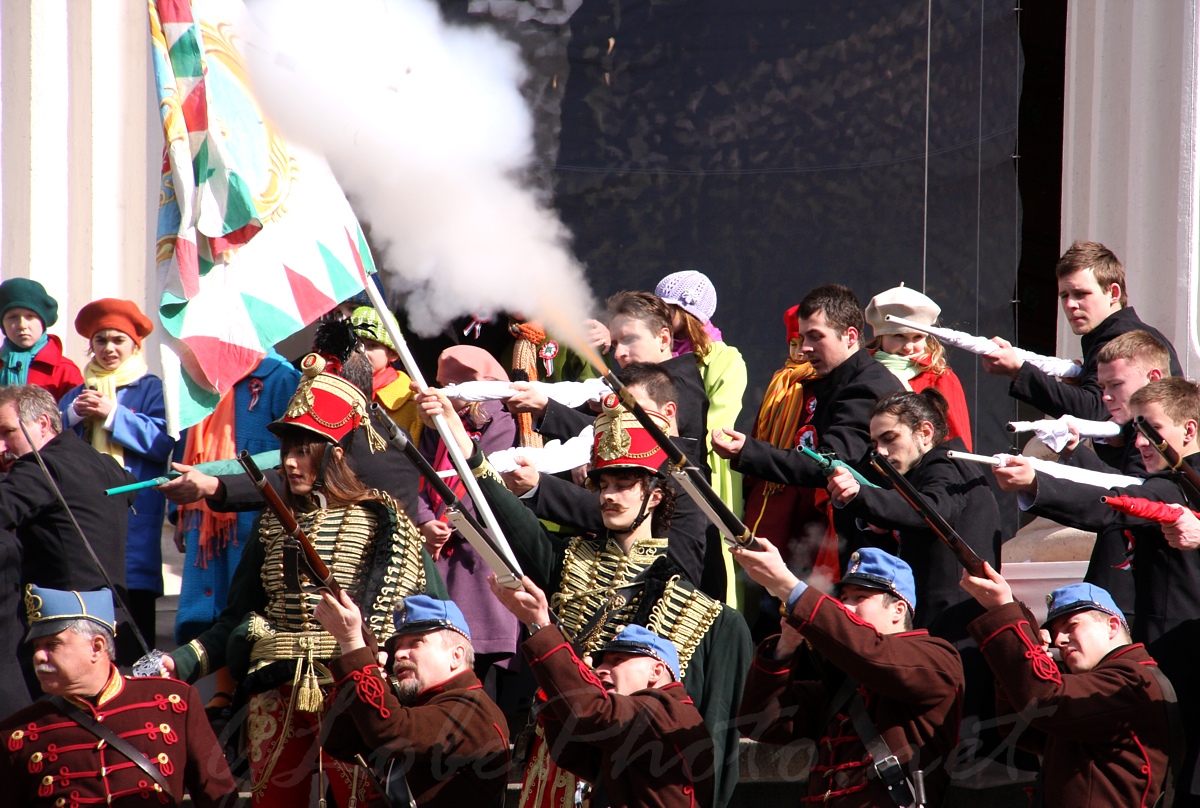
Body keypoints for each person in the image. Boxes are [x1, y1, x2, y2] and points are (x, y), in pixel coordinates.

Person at [415, 386, 752, 808]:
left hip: (636, 767)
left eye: (624, 484)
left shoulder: (703, 612)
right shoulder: (568, 559)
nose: (609, 495)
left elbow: (711, 741)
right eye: (603, 484)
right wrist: (467, 449)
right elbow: (513, 521)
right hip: (562, 754)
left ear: (657, 494)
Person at [158, 353, 447, 807]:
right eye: (287, 451)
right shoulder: (274, 522)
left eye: (301, 452)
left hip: (353, 682)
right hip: (274, 683)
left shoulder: (382, 517)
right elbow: (238, 614)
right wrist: (180, 664)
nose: (290, 463)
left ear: (332, 455)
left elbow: (426, 613)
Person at [993, 376, 1200, 801]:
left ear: (1189, 430)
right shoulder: (1167, 483)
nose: (1141, 443)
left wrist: (1038, 484)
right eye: (1137, 433)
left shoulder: (1175, 486)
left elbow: (1114, 503)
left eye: (1153, 432)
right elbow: (1118, 491)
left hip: (1183, 661)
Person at [735, 545, 964, 807]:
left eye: (860, 597)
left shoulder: (938, 658)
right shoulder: (844, 682)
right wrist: (786, 644)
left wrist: (790, 588)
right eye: (843, 598)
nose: (846, 606)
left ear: (898, 609)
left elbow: (874, 656)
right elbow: (761, 722)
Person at [713, 284, 903, 573]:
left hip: (872, 542)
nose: (805, 349)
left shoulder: (867, 387)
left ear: (851, 336)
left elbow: (827, 462)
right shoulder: (836, 381)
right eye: (802, 338)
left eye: (816, 337)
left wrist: (748, 450)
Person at [0, 585, 238, 806]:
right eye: (36, 647)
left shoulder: (174, 701)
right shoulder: (16, 732)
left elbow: (218, 796)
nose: (39, 657)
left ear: (97, 647)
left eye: (52, 645)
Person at [492, 576, 715, 808]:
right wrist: (561, 685)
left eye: (617, 660)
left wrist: (540, 625)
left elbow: (591, 711)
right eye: (601, 664)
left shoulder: (666, 710)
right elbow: (571, 752)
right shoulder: (637, 726)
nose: (602, 671)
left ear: (656, 671)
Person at [960, 573, 1173, 807]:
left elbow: (1046, 699)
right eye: (1055, 633)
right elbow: (1021, 729)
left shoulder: (1133, 680)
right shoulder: (1117, 678)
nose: (1059, 640)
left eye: (1072, 626)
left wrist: (1003, 610)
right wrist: (1030, 662)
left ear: (1112, 626)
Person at [502, 362, 711, 592]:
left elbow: (622, 508)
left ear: (668, 412)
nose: (620, 421)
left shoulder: (682, 473)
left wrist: (539, 487)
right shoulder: (639, 451)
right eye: (603, 485)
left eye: (632, 410)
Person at [172, 348, 299, 717]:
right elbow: (186, 447)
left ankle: (232, 690)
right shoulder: (199, 375)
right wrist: (179, 512)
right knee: (202, 612)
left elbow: (288, 455)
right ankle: (202, 689)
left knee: (243, 604)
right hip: (202, 520)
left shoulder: (280, 377)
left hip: (248, 517)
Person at [827, 389, 1000, 631]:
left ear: (925, 433)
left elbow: (934, 511)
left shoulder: (944, 464)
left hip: (954, 626)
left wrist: (861, 494)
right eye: (876, 443)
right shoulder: (927, 470)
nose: (882, 452)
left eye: (890, 438)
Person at [317, 593, 510, 808]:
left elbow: (391, 731)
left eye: (416, 642)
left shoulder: (473, 709)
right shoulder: (422, 705)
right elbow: (339, 742)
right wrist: (371, 681)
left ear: (456, 655)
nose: (399, 654)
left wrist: (352, 644)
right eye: (398, 646)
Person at [60, 298, 173, 659]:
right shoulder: (76, 395)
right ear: (90, 346)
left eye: (118, 340)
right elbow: (50, 449)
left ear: (135, 346)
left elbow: (161, 443)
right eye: (100, 340)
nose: (109, 348)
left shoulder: (152, 387)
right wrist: (71, 418)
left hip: (136, 515)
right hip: (87, 516)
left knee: (133, 614)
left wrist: (113, 415)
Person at [982, 241, 1181, 420]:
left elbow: (1094, 410)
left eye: (1081, 294)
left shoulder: (1121, 338)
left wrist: (1018, 370)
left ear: (1113, 293)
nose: (1070, 304)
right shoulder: (1140, 333)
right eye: (1064, 296)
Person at [417, 345, 521, 682]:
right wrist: (424, 520)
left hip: (477, 552)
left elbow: (489, 484)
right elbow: (417, 475)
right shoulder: (433, 425)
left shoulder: (498, 422)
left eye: (450, 386)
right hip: (436, 549)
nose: (440, 392)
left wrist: (450, 522)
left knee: (477, 659)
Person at [656, 270, 748, 605]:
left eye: (665, 307)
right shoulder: (659, 355)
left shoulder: (725, 358)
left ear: (688, 312)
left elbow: (718, 422)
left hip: (706, 467)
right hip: (665, 467)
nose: (658, 315)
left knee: (715, 552)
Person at [0, 384, 134, 612]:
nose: (1, 447)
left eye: (8, 432)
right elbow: (130, 486)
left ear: (42, 423)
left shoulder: (40, 466)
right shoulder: (104, 464)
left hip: (66, 625)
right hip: (113, 619)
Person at [741, 303, 818, 553]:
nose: (798, 353)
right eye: (792, 344)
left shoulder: (823, 382)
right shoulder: (780, 380)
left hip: (799, 487)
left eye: (803, 343)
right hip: (766, 483)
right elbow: (760, 430)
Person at [864, 284, 972, 449]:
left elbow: (957, 441)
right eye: (898, 336)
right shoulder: (861, 371)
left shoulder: (941, 378)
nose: (908, 347)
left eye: (917, 337)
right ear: (881, 337)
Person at [0, 278, 83, 401]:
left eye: (30, 317)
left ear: (43, 322)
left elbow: (77, 416)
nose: (22, 325)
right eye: (13, 317)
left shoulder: (64, 371)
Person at [349, 304, 423, 441]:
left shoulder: (412, 402)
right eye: (354, 344)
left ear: (393, 354)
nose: (361, 352)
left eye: (372, 345)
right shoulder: (334, 389)